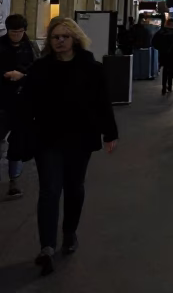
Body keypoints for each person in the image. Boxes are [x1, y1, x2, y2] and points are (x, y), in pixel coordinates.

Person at [13, 16, 118, 276]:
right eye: (55, 37)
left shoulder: (91, 67)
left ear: (75, 39)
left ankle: (69, 232)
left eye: (64, 36)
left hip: (80, 138)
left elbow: (103, 102)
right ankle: (47, 246)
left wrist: (110, 133)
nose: (59, 41)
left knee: (74, 188)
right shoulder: (40, 68)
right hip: (47, 138)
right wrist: (22, 132)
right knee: (49, 190)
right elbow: (27, 104)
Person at [1, 14, 38, 200]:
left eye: (19, 32)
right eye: (13, 32)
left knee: (18, 143)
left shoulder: (31, 47)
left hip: (23, 103)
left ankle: (14, 182)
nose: (16, 35)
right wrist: (5, 75)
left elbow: (37, 70)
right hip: (2, 101)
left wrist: (22, 75)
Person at [151, 17, 173, 96]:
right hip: (172, 54)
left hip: (163, 53)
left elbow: (154, 42)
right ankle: (169, 86)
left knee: (165, 69)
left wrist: (160, 48)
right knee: (171, 69)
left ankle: (164, 87)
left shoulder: (161, 32)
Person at [129, 16, 154, 80]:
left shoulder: (134, 28)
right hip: (145, 47)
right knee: (144, 63)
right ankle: (144, 74)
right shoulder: (146, 29)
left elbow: (131, 37)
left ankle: (136, 75)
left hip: (137, 47)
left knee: (136, 62)